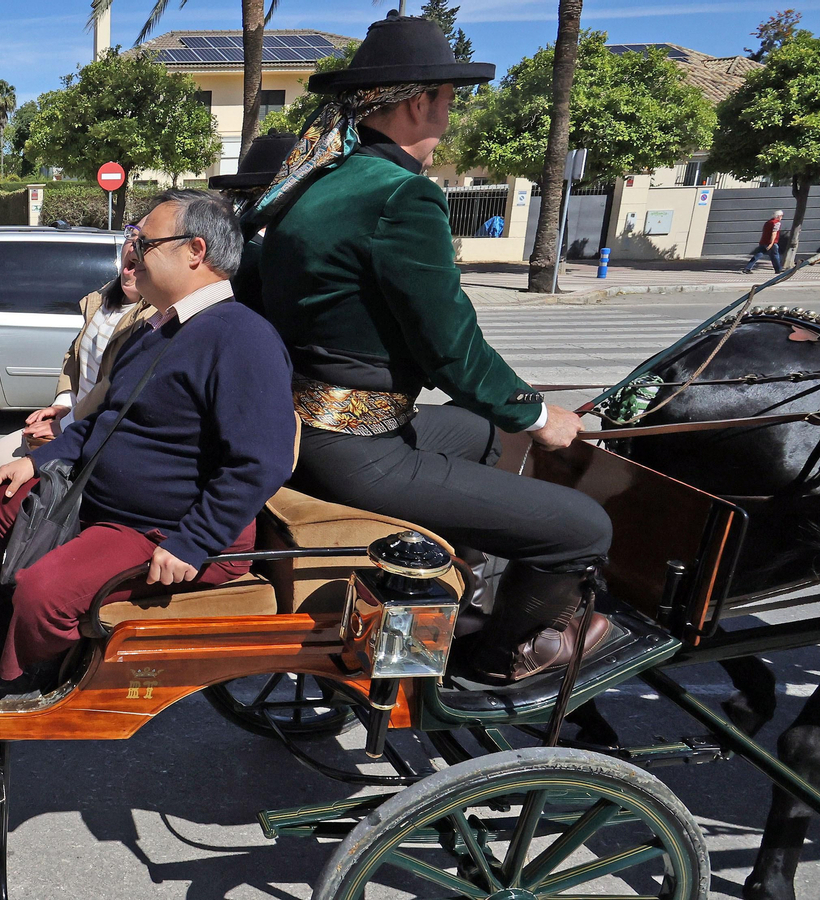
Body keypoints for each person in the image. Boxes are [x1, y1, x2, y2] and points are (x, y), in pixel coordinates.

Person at [238, 13, 613, 685]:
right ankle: (495, 658)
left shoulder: (316, 184)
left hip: (306, 429)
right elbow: (451, 348)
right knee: (584, 528)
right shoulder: (402, 195)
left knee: (476, 432)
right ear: (419, 102)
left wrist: (502, 416)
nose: (450, 114)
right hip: (357, 450)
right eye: (449, 99)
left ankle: (447, 591)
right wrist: (536, 415)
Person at [0, 190, 298, 695]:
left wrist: (193, 541)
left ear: (195, 251)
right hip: (104, 506)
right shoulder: (157, 329)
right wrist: (40, 462)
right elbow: (107, 421)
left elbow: (262, 461)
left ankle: (24, 683)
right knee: (2, 500)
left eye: (145, 241)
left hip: (162, 529)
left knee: (46, 591)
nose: (133, 251)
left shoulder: (242, 336)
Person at [0, 240, 154, 475]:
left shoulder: (152, 317)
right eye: (131, 235)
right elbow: (75, 354)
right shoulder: (103, 299)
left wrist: (66, 424)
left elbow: (112, 384)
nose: (135, 246)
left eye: (145, 240)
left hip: (96, 434)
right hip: (74, 421)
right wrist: (64, 403)